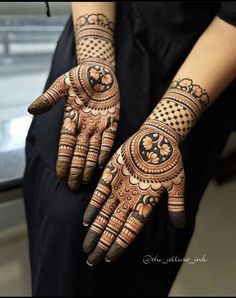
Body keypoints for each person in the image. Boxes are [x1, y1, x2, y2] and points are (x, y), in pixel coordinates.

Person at [23, 2, 236, 296]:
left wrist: (165, 126)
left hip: (208, 62)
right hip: (106, 25)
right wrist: (95, 52)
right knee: (64, 212)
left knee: (140, 227)